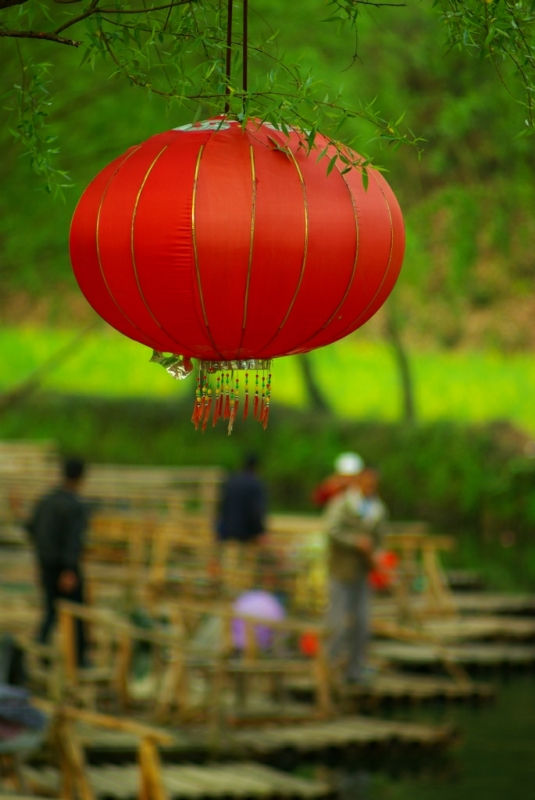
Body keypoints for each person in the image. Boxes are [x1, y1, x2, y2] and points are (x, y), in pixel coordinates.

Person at [323, 453, 388, 684]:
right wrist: (356, 542)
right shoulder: (342, 504)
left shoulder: (378, 509)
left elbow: (380, 542)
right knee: (337, 623)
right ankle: (327, 670)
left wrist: (379, 558)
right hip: (341, 571)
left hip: (363, 574)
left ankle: (354, 669)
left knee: (362, 623)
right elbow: (331, 530)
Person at [26, 456, 89, 666]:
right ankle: (78, 659)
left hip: (46, 565)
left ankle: (42, 651)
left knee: (51, 610)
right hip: (63, 568)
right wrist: (70, 569)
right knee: (75, 613)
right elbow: (73, 540)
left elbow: (31, 529)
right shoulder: (73, 506)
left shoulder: (45, 502)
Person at [217, 454, 267, 545]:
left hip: (227, 531)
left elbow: (222, 508)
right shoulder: (254, 484)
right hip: (245, 533)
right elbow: (256, 512)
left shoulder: (231, 482)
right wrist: (260, 532)